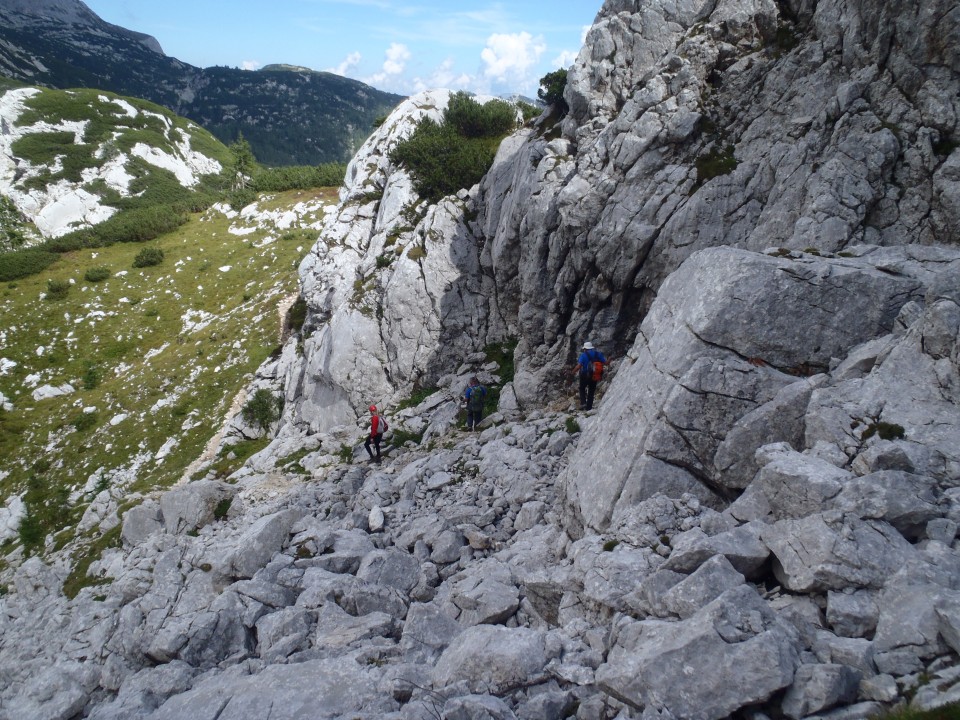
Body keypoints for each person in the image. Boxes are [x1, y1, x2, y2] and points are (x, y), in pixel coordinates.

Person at [574, 341, 607, 411]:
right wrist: (610, 359)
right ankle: (589, 408)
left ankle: (583, 403)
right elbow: (605, 363)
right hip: (595, 375)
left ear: (585, 348)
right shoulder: (598, 354)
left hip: (585, 375)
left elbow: (579, 366)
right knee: (591, 391)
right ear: (591, 348)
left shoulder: (583, 355)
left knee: (582, 388)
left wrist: (573, 372)